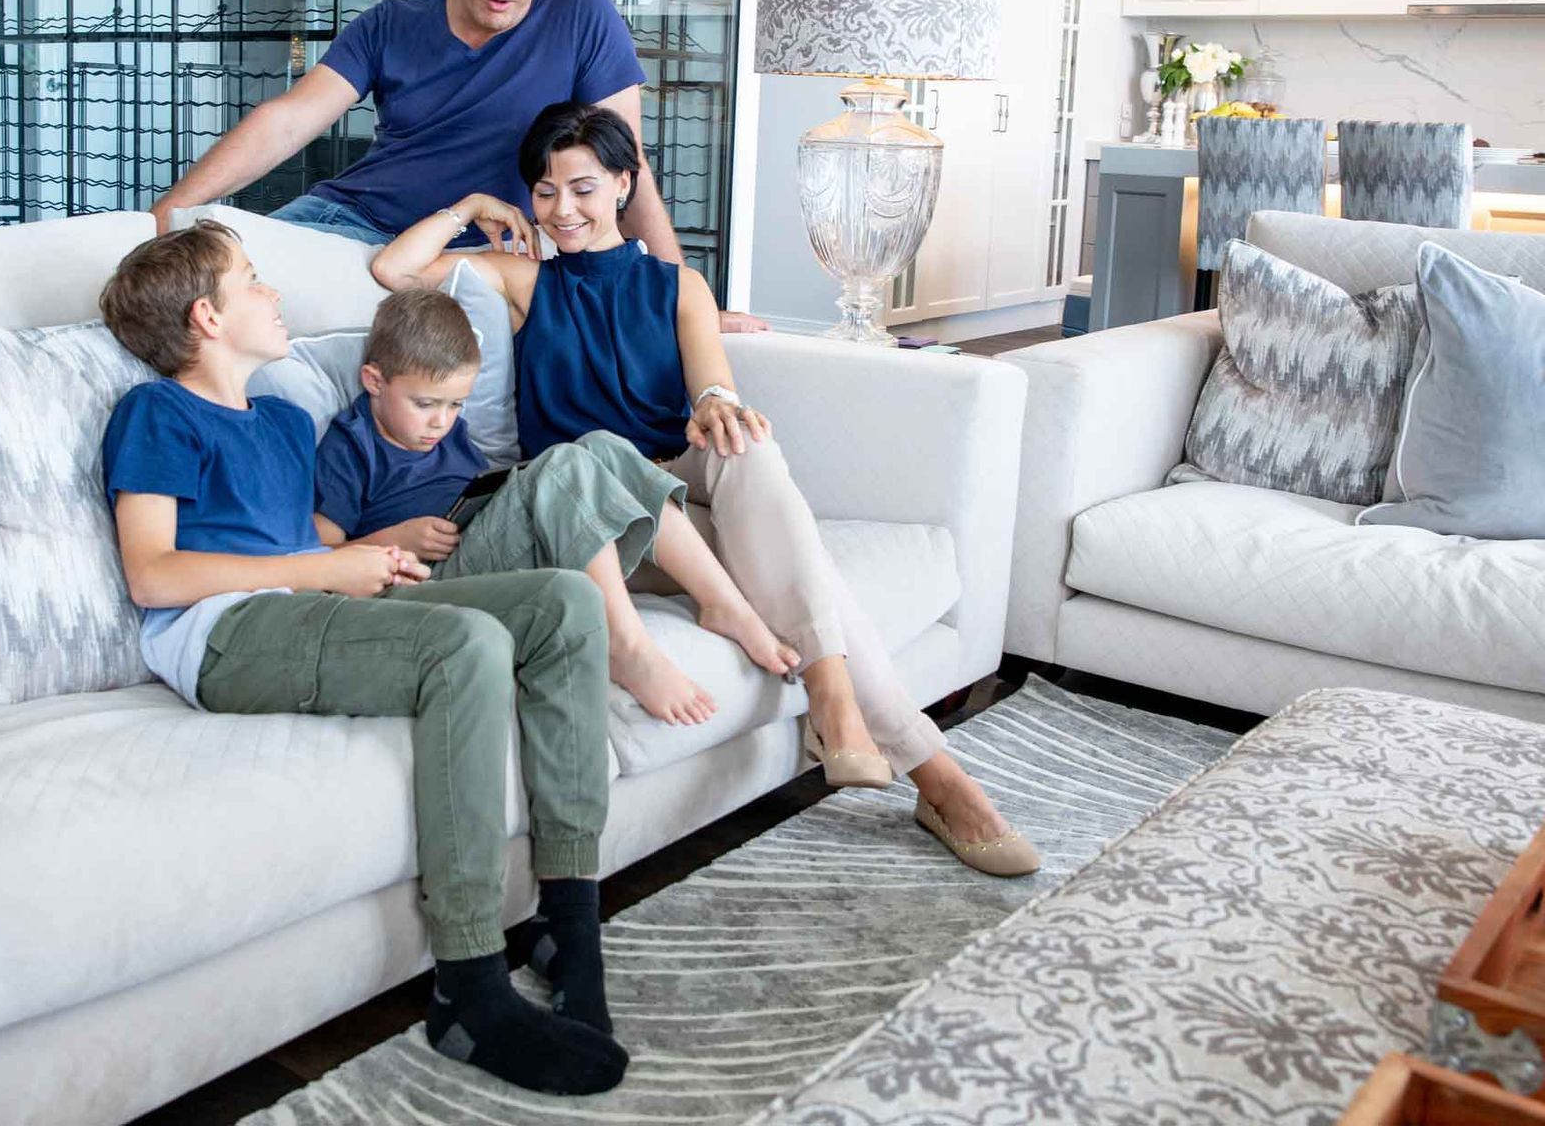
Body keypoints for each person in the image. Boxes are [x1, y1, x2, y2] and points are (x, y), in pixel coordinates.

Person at [368, 105, 1045, 879]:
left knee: (745, 443)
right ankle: (940, 778)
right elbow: (396, 272)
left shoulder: (680, 287)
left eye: (584, 189)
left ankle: (833, 697)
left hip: (680, 495)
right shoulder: (525, 282)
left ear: (625, 184)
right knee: (780, 555)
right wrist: (470, 210)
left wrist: (718, 401)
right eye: (544, 193)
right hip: (597, 518)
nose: (563, 212)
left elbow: (709, 383)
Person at [97, 219, 628, 1095]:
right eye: (254, 281)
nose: (275, 294)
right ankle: (468, 983)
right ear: (206, 318)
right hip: (224, 635)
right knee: (464, 642)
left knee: (563, 600)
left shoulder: (278, 418)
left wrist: (360, 561)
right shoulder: (155, 412)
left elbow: (324, 537)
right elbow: (152, 574)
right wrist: (319, 570)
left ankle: (572, 920)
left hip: (310, 609)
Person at [148, 0, 767, 332]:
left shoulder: (582, 15)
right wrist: (167, 216)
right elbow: (286, 121)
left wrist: (686, 301)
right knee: (189, 285)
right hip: (344, 218)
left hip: (466, 251)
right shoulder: (390, 23)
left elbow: (624, 168)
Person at [311, 285, 798, 725]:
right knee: (564, 463)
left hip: (486, 545)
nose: (441, 422)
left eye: (455, 405)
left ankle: (723, 605)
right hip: (431, 580)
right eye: (425, 404)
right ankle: (627, 648)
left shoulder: (447, 433)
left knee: (602, 445)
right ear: (374, 381)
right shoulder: (350, 447)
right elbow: (320, 557)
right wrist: (394, 540)